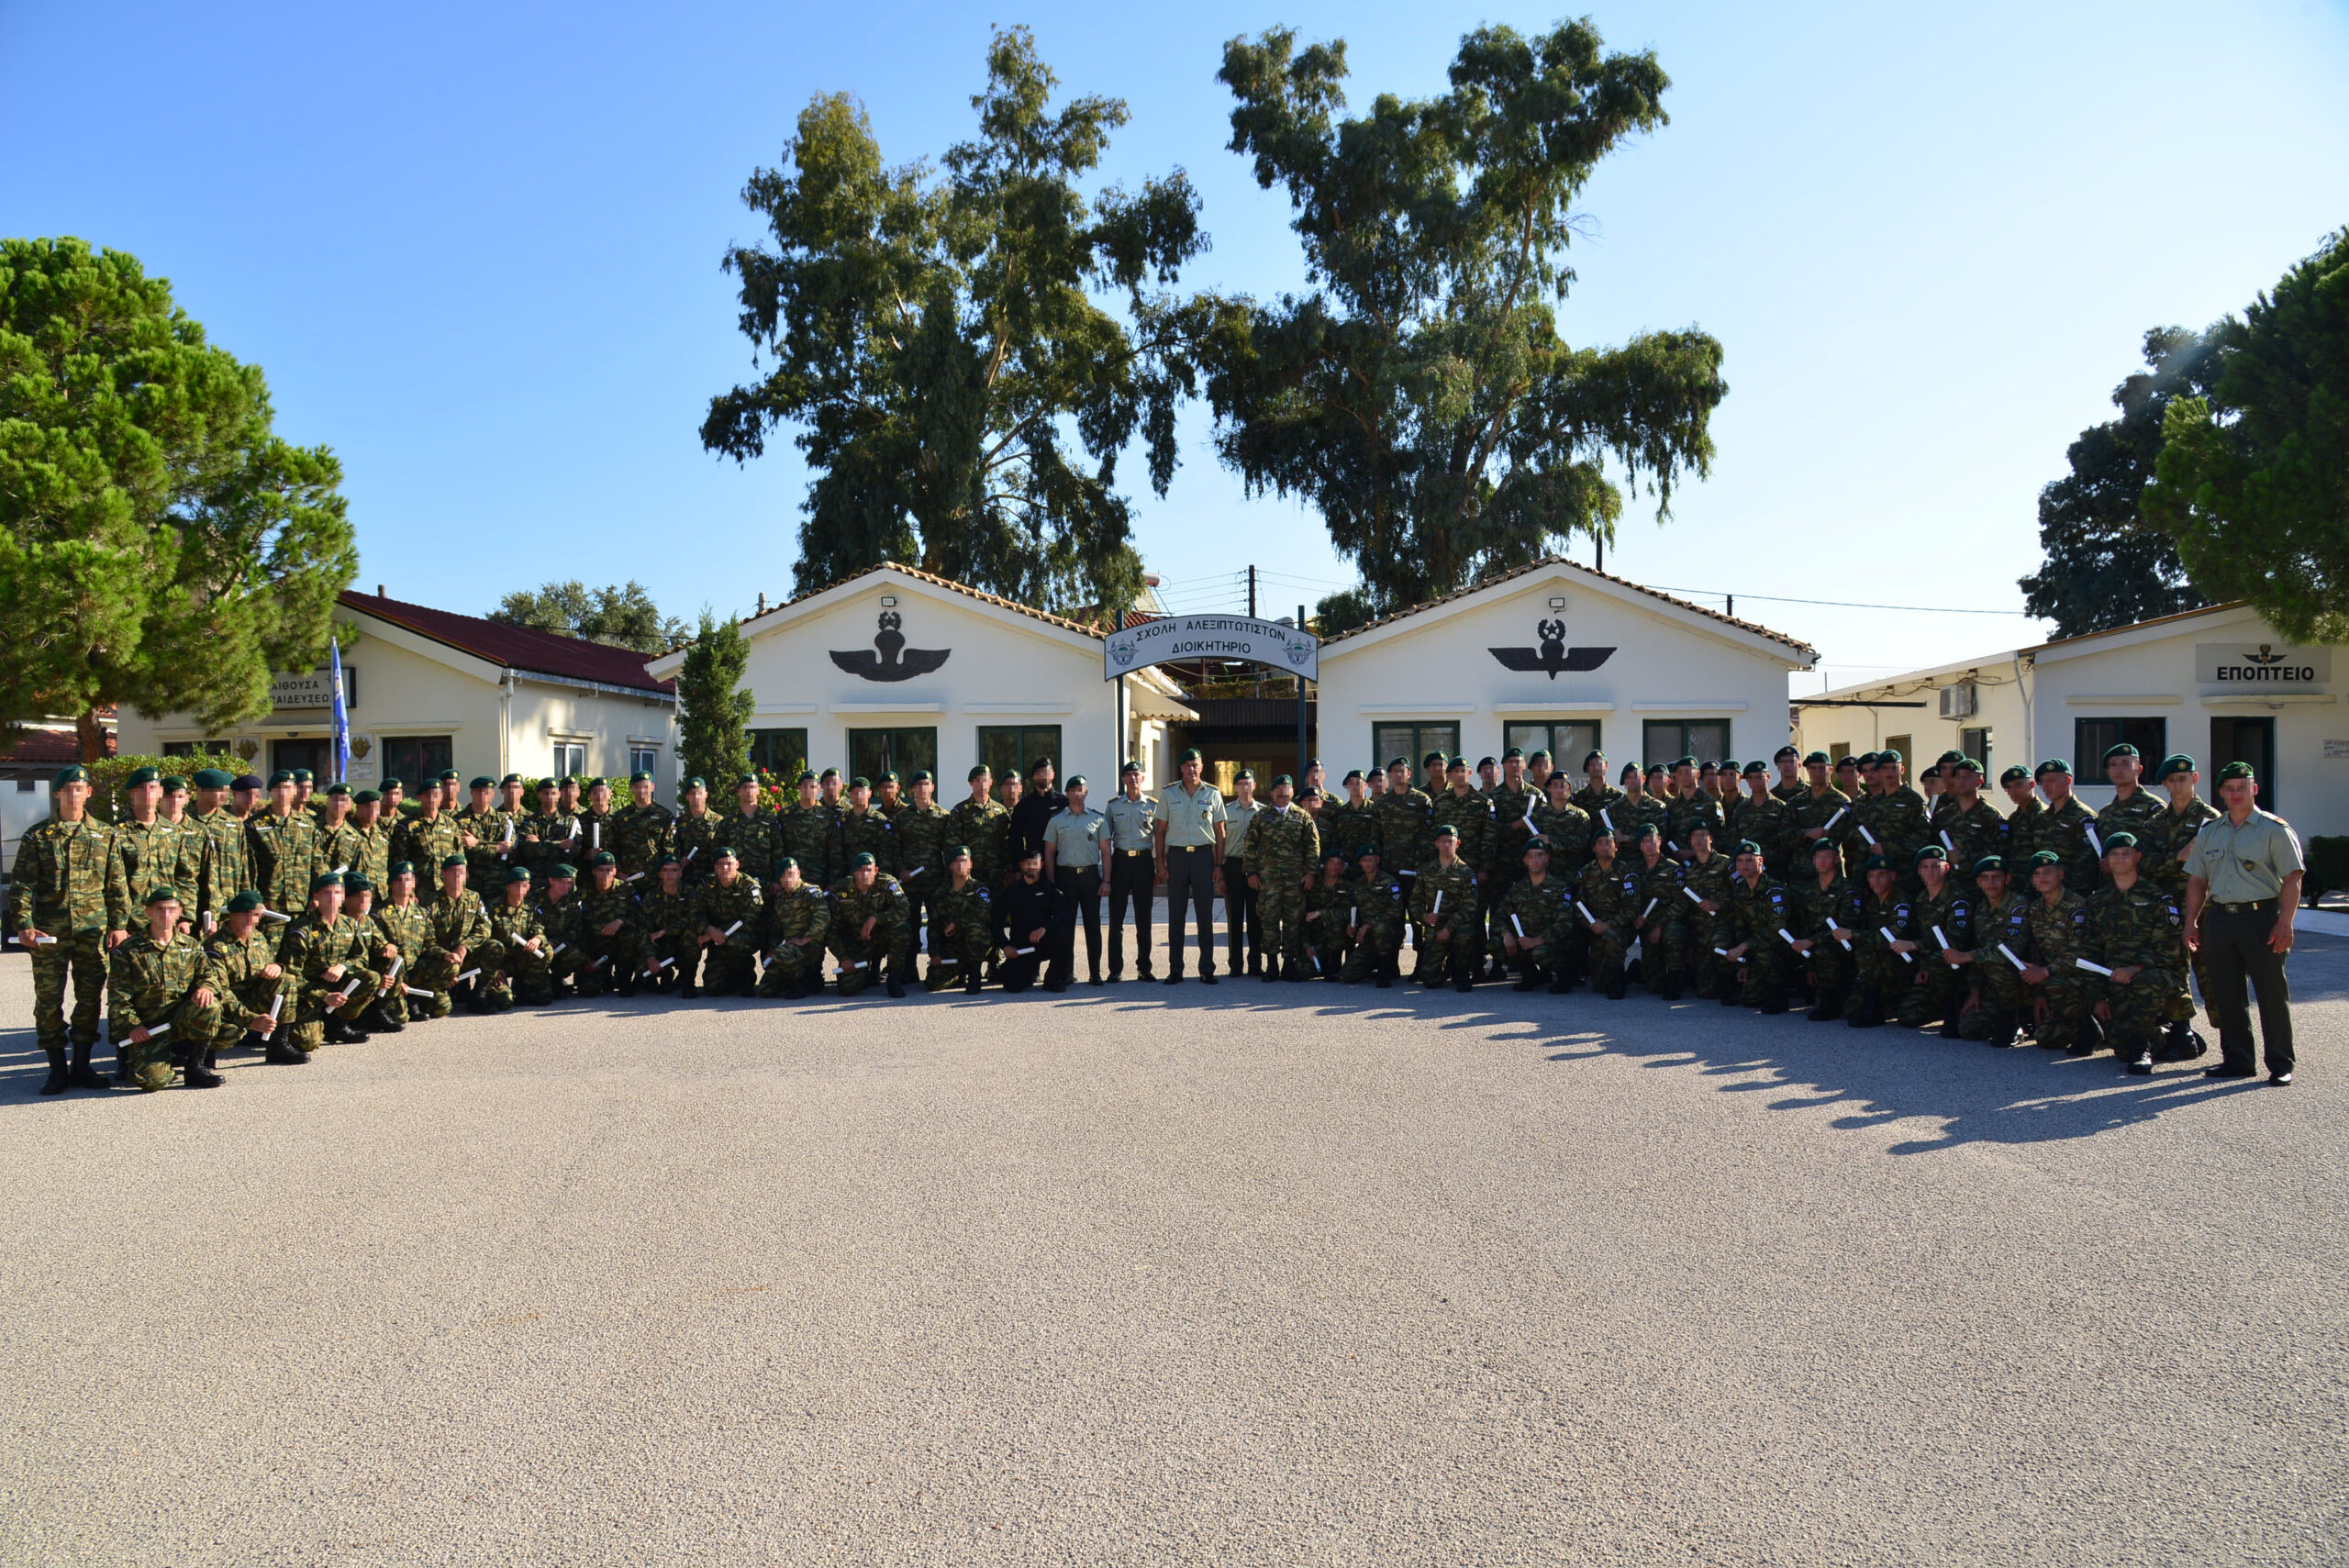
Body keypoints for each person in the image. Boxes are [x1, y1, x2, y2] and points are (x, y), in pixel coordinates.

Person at [2183, 761, 2304, 1084]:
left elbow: (2292, 878)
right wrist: (2191, 922)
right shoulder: (2210, 831)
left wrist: (2285, 922)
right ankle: (2238, 1060)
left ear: (2255, 789)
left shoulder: (2274, 829)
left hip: (2262, 918)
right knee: (2227, 994)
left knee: (2271, 993)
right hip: (2221, 919)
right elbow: (2197, 881)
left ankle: (2281, 1064)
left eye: (2242, 787)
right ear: (2221, 793)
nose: (2236, 793)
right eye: (2230, 788)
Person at [13, 764, 113, 1093]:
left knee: (89, 1000)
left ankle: (81, 1066)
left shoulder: (105, 834)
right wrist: (25, 925)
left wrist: (119, 927)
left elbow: (116, 886)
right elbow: (22, 885)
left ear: (89, 793)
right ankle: (56, 1069)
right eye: (67, 788)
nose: (74, 793)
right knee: (48, 1002)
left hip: (92, 931)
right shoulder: (37, 835)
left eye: (79, 788)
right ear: (57, 793)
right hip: (49, 934)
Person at [2084, 831, 2191, 1075]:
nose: (2120, 858)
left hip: (2156, 975)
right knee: (2121, 1047)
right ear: (2107, 861)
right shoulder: (2098, 902)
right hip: (2116, 979)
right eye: (2114, 854)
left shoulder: (2157, 897)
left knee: (2145, 984)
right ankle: (2168, 1036)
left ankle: (2143, 1048)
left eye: (2126, 853)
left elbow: (2169, 947)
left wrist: (2136, 968)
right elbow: (2091, 950)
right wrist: (2098, 997)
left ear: (2138, 857)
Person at [107, 890, 225, 1091]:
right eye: (160, 909)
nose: (166, 915)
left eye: (171, 909)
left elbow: (208, 975)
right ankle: (137, 1058)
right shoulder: (129, 950)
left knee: (210, 1005)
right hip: (148, 1028)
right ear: (148, 912)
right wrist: (132, 1026)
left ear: (179, 912)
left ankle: (195, 1066)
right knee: (152, 1082)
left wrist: (206, 987)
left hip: (179, 1019)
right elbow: (118, 996)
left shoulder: (190, 945)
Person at [280, 872, 386, 1051]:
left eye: (337, 892)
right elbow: (292, 975)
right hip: (309, 993)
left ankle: (338, 1025)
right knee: (306, 1042)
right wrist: (324, 996)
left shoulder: (349, 924)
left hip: (338, 986)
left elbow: (361, 958)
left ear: (343, 896)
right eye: (327, 893)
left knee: (370, 977)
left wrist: (343, 967)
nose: (332, 897)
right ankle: (311, 1022)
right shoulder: (302, 929)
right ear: (316, 896)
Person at [1154, 748, 1226, 985]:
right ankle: (1176, 970)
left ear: (1201, 767)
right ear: (1181, 769)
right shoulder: (1168, 793)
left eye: (1195, 765)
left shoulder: (1213, 793)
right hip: (1177, 858)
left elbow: (1220, 833)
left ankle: (1207, 969)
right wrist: (1160, 863)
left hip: (1204, 858)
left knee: (1205, 916)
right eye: (1187, 765)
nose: (1191, 769)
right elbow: (1160, 831)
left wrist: (1218, 865)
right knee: (1176, 915)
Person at [204, 889, 298, 1065]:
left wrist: (276, 967)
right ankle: (202, 1055)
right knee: (229, 1031)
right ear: (232, 915)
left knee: (287, 980)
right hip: (226, 1007)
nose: (251, 920)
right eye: (245, 914)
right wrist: (250, 1019)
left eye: (255, 915)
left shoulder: (258, 938)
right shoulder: (215, 946)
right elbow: (220, 991)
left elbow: (270, 966)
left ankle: (278, 1045)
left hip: (252, 997)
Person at [1244, 773, 1320, 981]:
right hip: (1268, 880)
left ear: (1293, 792)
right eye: (1278, 789)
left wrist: (1311, 873)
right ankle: (1271, 965)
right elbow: (1250, 845)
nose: (1282, 793)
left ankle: (1288, 965)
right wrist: (1251, 872)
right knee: (1269, 921)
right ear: (1271, 793)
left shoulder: (1302, 816)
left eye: (1286, 789)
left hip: (1295, 881)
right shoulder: (1261, 816)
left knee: (1292, 922)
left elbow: (1313, 846)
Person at [1041, 774, 1108, 984]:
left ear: (1086, 792)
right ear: (1068, 793)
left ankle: (1095, 972)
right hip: (1065, 878)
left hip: (1090, 877)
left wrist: (1106, 880)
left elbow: (1106, 852)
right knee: (1066, 927)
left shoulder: (1098, 819)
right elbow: (1049, 852)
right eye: (1073, 789)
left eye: (1081, 789)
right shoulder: (1056, 820)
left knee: (1093, 925)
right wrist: (1051, 881)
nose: (1078, 793)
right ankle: (1067, 972)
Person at [1104, 762, 1159, 982]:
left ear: (1143, 778)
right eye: (1129, 775)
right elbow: (1106, 840)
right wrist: (1107, 875)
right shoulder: (1114, 806)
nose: (1133, 778)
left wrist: (1159, 866)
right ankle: (1115, 969)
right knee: (1116, 919)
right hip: (1120, 862)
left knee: (1143, 918)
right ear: (1123, 779)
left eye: (1137, 774)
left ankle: (1144, 968)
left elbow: (1160, 837)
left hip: (1143, 862)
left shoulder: (1153, 805)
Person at [1495, 837, 1573, 993]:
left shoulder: (1559, 888)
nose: (1536, 860)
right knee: (1495, 943)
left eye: (1540, 855)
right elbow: (1500, 914)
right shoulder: (1518, 888)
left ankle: (1565, 976)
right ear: (1525, 861)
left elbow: (1564, 924)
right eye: (1531, 856)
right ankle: (1530, 974)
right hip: (1525, 941)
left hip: (1550, 943)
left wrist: (1536, 941)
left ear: (1547, 859)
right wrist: (1506, 934)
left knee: (1540, 952)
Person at [1409, 823, 1481, 992]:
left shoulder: (1466, 872)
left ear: (1458, 844)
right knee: (1430, 980)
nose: (1447, 845)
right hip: (1435, 925)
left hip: (1457, 925)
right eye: (1443, 841)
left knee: (1465, 934)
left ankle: (1462, 972)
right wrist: (1424, 916)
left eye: (1451, 841)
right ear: (1436, 844)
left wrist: (1449, 928)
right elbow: (1414, 901)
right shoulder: (1426, 871)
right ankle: (1447, 965)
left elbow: (1469, 906)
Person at [828, 851, 909, 998]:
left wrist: (875, 918)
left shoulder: (887, 883)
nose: (866, 874)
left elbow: (904, 909)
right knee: (847, 987)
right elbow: (832, 930)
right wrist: (844, 958)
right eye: (861, 871)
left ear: (876, 870)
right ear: (854, 873)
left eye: (869, 870)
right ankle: (866, 973)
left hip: (881, 937)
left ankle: (894, 978)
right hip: (857, 942)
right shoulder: (841, 890)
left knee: (901, 928)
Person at [996, 845, 1074, 993]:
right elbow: (997, 923)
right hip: (1021, 947)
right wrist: (1005, 946)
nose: (1031, 867)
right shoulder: (1011, 892)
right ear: (1021, 865)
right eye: (1027, 863)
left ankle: (1053, 979)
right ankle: (1027, 972)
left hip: (1044, 942)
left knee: (1064, 932)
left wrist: (1044, 929)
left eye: (1035, 863)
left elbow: (1064, 914)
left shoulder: (1049, 889)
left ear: (1041, 865)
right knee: (1013, 985)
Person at [924, 848, 998, 995]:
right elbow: (934, 924)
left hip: (978, 944)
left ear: (971, 864)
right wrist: (935, 953)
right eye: (956, 861)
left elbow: (983, 914)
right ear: (950, 866)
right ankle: (960, 971)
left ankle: (974, 976)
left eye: (964, 861)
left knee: (975, 927)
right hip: (953, 946)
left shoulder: (979, 888)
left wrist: (956, 923)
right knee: (933, 983)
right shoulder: (941, 892)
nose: (960, 865)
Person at [481, 867, 553, 1010]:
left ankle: (526, 987)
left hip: (522, 958)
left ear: (529, 887)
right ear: (508, 886)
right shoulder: (493, 907)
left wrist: (537, 939)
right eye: (516, 885)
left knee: (546, 951)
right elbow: (484, 939)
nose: (520, 889)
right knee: (504, 1001)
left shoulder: (531, 907)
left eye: (524, 885)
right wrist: (493, 969)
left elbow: (539, 929)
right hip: (500, 963)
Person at [759, 858, 831, 999]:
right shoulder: (780, 899)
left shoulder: (810, 892)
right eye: (784, 876)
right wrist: (771, 950)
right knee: (765, 989)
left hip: (810, 947)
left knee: (782, 953)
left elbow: (823, 918)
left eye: (791, 874)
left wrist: (804, 939)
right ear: (780, 879)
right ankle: (802, 979)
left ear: (798, 874)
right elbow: (777, 929)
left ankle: (801, 982)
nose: (788, 879)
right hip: (790, 950)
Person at [696, 847, 764, 997]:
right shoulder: (707, 884)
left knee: (735, 941)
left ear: (737, 864)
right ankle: (731, 977)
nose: (725, 868)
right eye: (720, 864)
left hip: (745, 936)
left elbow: (750, 919)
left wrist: (715, 933)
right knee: (712, 989)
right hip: (716, 938)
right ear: (715, 867)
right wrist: (709, 929)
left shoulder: (748, 885)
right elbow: (697, 912)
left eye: (729, 863)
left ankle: (746, 977)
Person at [1221, 769, 1264, 975]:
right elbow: (1219, 842)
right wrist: (1220, 872)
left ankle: (1255, 964)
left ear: (1254, 786)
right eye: (1241, 784)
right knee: (1234, 919)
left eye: (1249, 783)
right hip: (1233, 867)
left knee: (1256, 919)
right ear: (1235, 787)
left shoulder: (1263, 812)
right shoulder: (1226, 811)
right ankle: (1235, 965)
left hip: (1256, 869)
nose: (1245, 787)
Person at [1008, 756, 1066, 868]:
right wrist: (1018, 867)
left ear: (1053, 774)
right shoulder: (1024, 805)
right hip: (1034, 867)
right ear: (1033, 776)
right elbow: (1015, 838)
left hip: (1061, 864)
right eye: (1038, 773)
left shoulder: (1064, 803)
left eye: (1046, 772)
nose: (1042, 776)